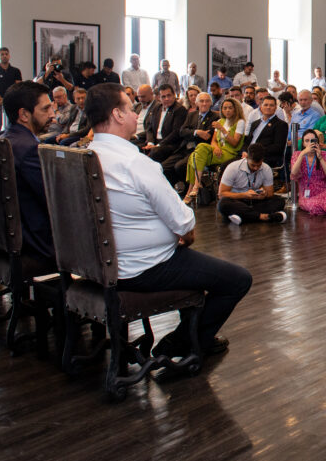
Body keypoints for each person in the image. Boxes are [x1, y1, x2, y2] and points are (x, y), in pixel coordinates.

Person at [85, 83, 252, 359]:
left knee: (197, 268)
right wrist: (182, 236)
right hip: (144, 266)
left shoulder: (87, 155)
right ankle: (183, 343)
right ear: (117, 114)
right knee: (238, 279)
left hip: (100, 262)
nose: (135, 115)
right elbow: (185, 224)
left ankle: (195, 335)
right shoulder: (135, 163)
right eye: (130, 108)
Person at [1, 81, 57, 266]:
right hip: (38, 243)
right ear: (24, 114)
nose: (53, 114)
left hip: (6, 236)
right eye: (46, 109)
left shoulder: (5, 140)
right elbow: (53, 199)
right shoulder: (29, 149)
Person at [183, 98, 245, 203]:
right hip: (218, 151)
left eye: (230, 108)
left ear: (235, 109)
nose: (227, 110)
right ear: (222, 110)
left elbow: (234, 142)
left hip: (230, 153)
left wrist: (222, 129)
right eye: (225, 108)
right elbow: (213, 141)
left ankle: (192, 189)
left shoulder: (240, 122)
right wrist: (216, 147)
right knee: (196, 153)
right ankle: (196, 186)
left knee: (194, 155)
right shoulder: (220, 121)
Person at [217, 143, 286, 225]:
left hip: (255, 200)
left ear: (262, 160)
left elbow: (270, 193)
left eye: (258, 165)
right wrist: (244, 195)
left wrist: (264, 194)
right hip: (237, 200)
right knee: (223, 204)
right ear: (246, 158)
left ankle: (242, 216)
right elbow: (221, 194)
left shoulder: (266, 168)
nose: (256, 168)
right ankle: (263, 217)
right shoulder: (233, 168)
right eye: (253, 165)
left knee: (280, 201)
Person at [165, 92, 218, 188]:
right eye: (201, 101)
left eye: (207, 101)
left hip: (199, 150)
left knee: (180, 166)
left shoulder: (215, 117)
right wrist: (197, 132)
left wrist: (190, 132)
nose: (204, 104)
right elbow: (182, 131)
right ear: (197, 103)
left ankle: (190, 189)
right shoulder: (191, 115)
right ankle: (173, 190)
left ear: (211, 103)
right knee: (165, 166)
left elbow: (207, 136)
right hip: (185, 148)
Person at [290, 129, 326, 216]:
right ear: (303, 143)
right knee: (312, 205)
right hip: (306, 193)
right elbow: (293, 174)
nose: (310, 144)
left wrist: (320, 157)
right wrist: (302, 154)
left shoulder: (324, 154)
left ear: (317, 143)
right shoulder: (297, 154)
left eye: (312, 141)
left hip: (323, 190)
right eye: (307, 141)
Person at [142, 83, 187, 162]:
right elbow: (149, 128)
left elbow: (176, 133)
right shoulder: (156, 108)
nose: (166, 99)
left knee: (155, 152)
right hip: (155, 141)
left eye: (169, 95)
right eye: (163, 96)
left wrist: (158, 145)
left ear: (174, 95)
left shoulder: (179, 109)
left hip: (170, 144)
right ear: (159, 98)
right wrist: (150, 143)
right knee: (137, 147)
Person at [244, 95, 288, 170]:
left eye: (271, 105)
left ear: (275, 108)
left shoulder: (281, 125)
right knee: (228, 166)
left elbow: (278, 147)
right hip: (248, 155)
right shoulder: (255, 123)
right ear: (261, 107)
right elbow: (247, 141)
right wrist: (244, 151)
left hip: (264, 157)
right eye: (266, 105)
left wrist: (254, 153)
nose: (268, 107)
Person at [0, 46, 22, 135]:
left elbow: (18, 86)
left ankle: (11, 142)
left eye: (6, 54)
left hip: (11, 102)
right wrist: (0, 99)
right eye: (2, 54)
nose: (4, 56)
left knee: (12, 124)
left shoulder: (16, 71)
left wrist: (9, 99)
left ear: (9, 56)